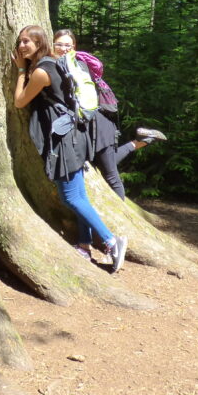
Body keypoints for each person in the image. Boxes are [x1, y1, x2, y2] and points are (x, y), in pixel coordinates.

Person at [12, 25, 127, 272]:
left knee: (71, 196)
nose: (22, 46)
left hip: (65, 142)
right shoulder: (55, 62)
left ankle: (111, 241)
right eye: (20, 42)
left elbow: (20, 101)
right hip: (75, 136)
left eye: (27, 42)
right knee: (79, 196)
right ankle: (85, 244)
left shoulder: (43, 71)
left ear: (39, 43)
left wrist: (21, 71)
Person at [53, 29, 165, 200]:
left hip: (99, 126)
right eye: (59, 44)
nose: (63, 48)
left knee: (111, 175)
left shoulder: (75, 66)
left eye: (67, 45)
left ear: (73, 46)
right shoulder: (65, 65)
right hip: (91, 125)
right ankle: (144, 140)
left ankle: (124, 219)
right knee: (103, 162)